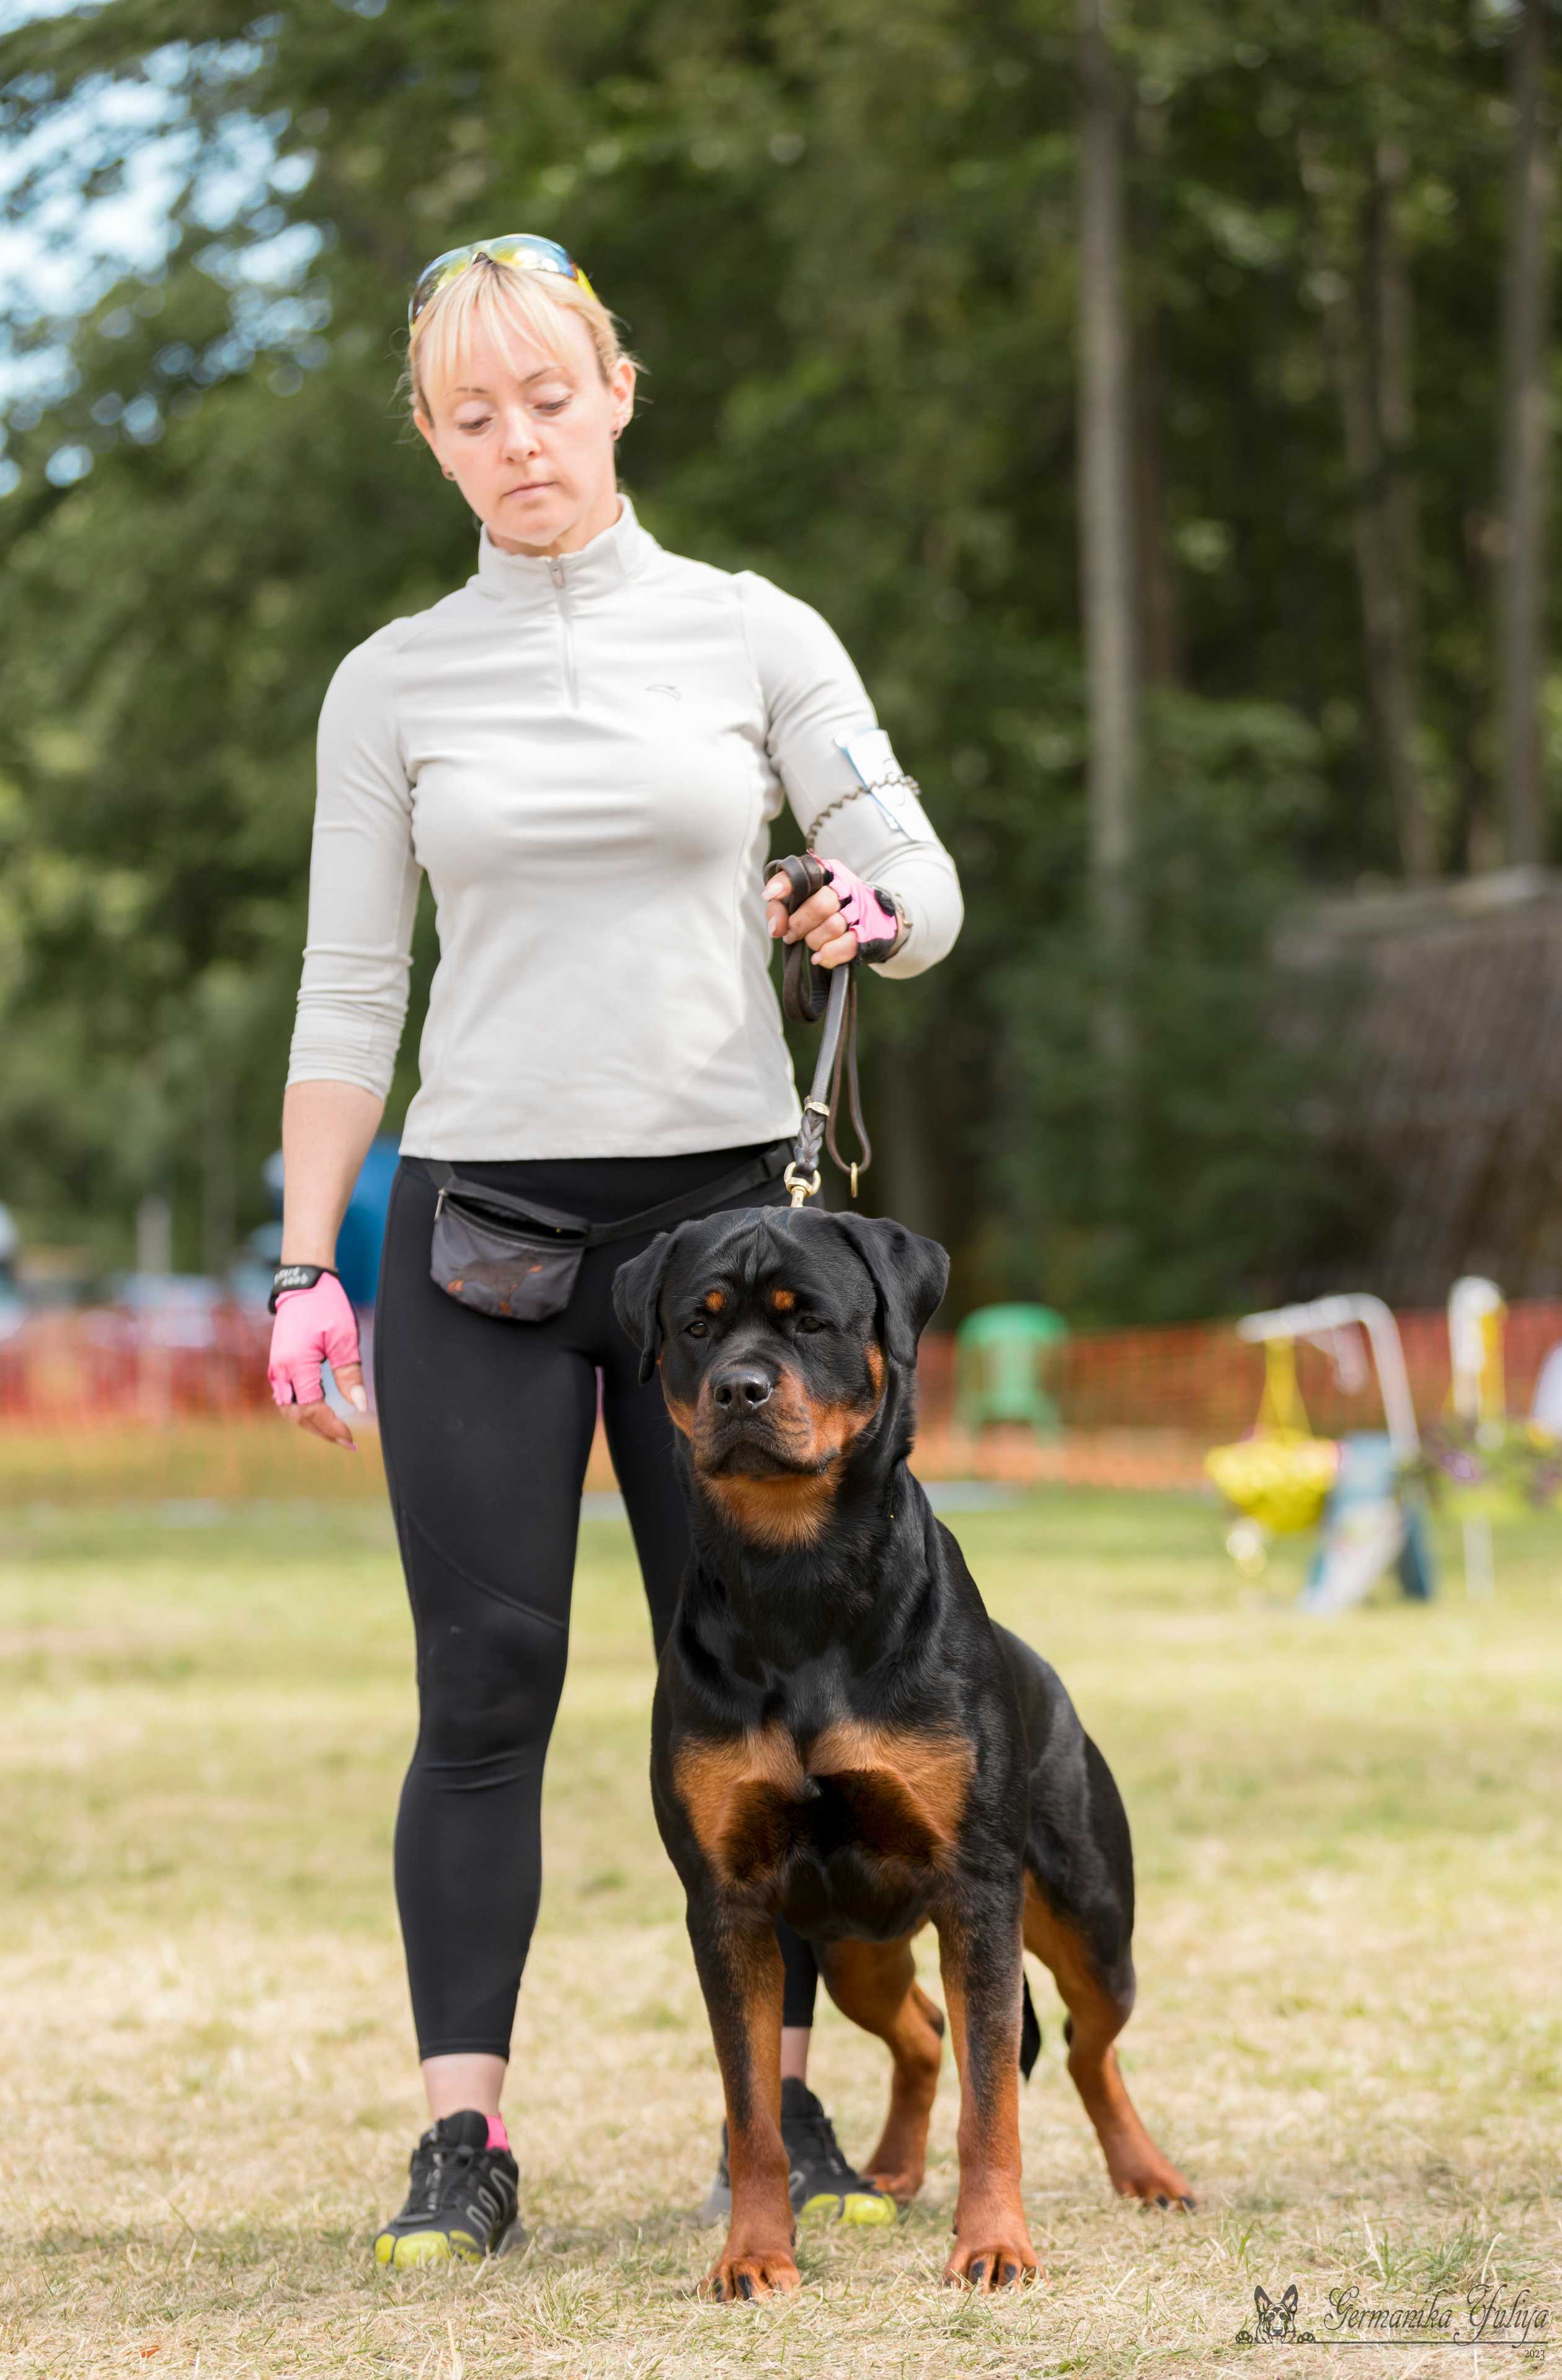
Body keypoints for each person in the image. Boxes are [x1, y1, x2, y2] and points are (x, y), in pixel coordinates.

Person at [265, 234, 963, 2270]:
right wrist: (310, 1266)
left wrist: (863, 906)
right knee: (484, 1687)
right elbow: (342, 994)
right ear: (433, 436)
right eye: (472, 415)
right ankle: (461, 2142)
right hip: (476, 1238)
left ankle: (797, 2110)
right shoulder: (389, 682)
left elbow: (914, 873)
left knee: (761, 1692)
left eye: (548, 398)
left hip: (727, 1253)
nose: (518, 443)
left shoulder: (753, 635)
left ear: (617, 390)